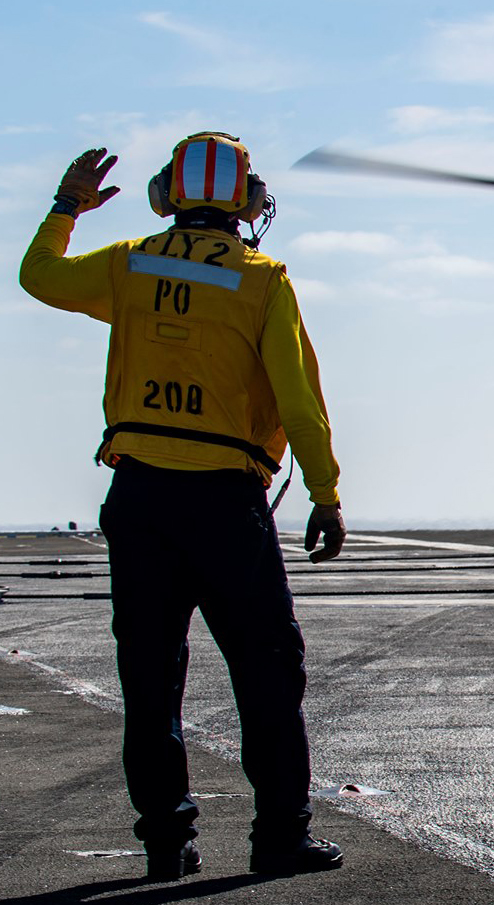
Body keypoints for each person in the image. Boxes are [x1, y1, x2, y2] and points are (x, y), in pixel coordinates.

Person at [19, 134, 348, 881]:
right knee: (267, 673)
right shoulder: (262, 280)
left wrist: (67, 206)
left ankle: (166, 845)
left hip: (139, 497)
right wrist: (325, 494)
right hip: (225, 503)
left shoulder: (129, 263)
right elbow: (300, 403)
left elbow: (38, 277)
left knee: (150, 676)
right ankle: (278, 839)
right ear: (251, 202)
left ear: (164, 196)